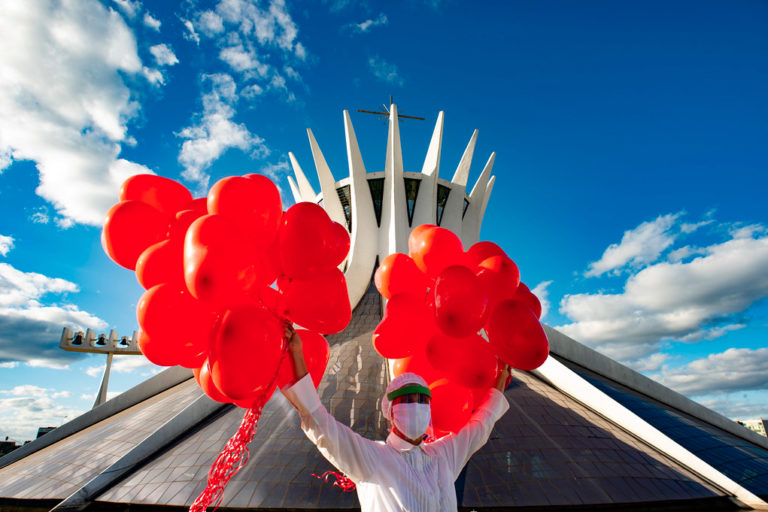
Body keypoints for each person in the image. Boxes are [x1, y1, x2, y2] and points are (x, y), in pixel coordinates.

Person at [280, 323, 510, 512]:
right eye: (407, 399)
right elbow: (320, 422)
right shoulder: (372, 458)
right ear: (390, 411)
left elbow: (481, 425)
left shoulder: (444, 455)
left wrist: (500, 381)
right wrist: (297, 354)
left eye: (423, 400)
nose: (416, 406)